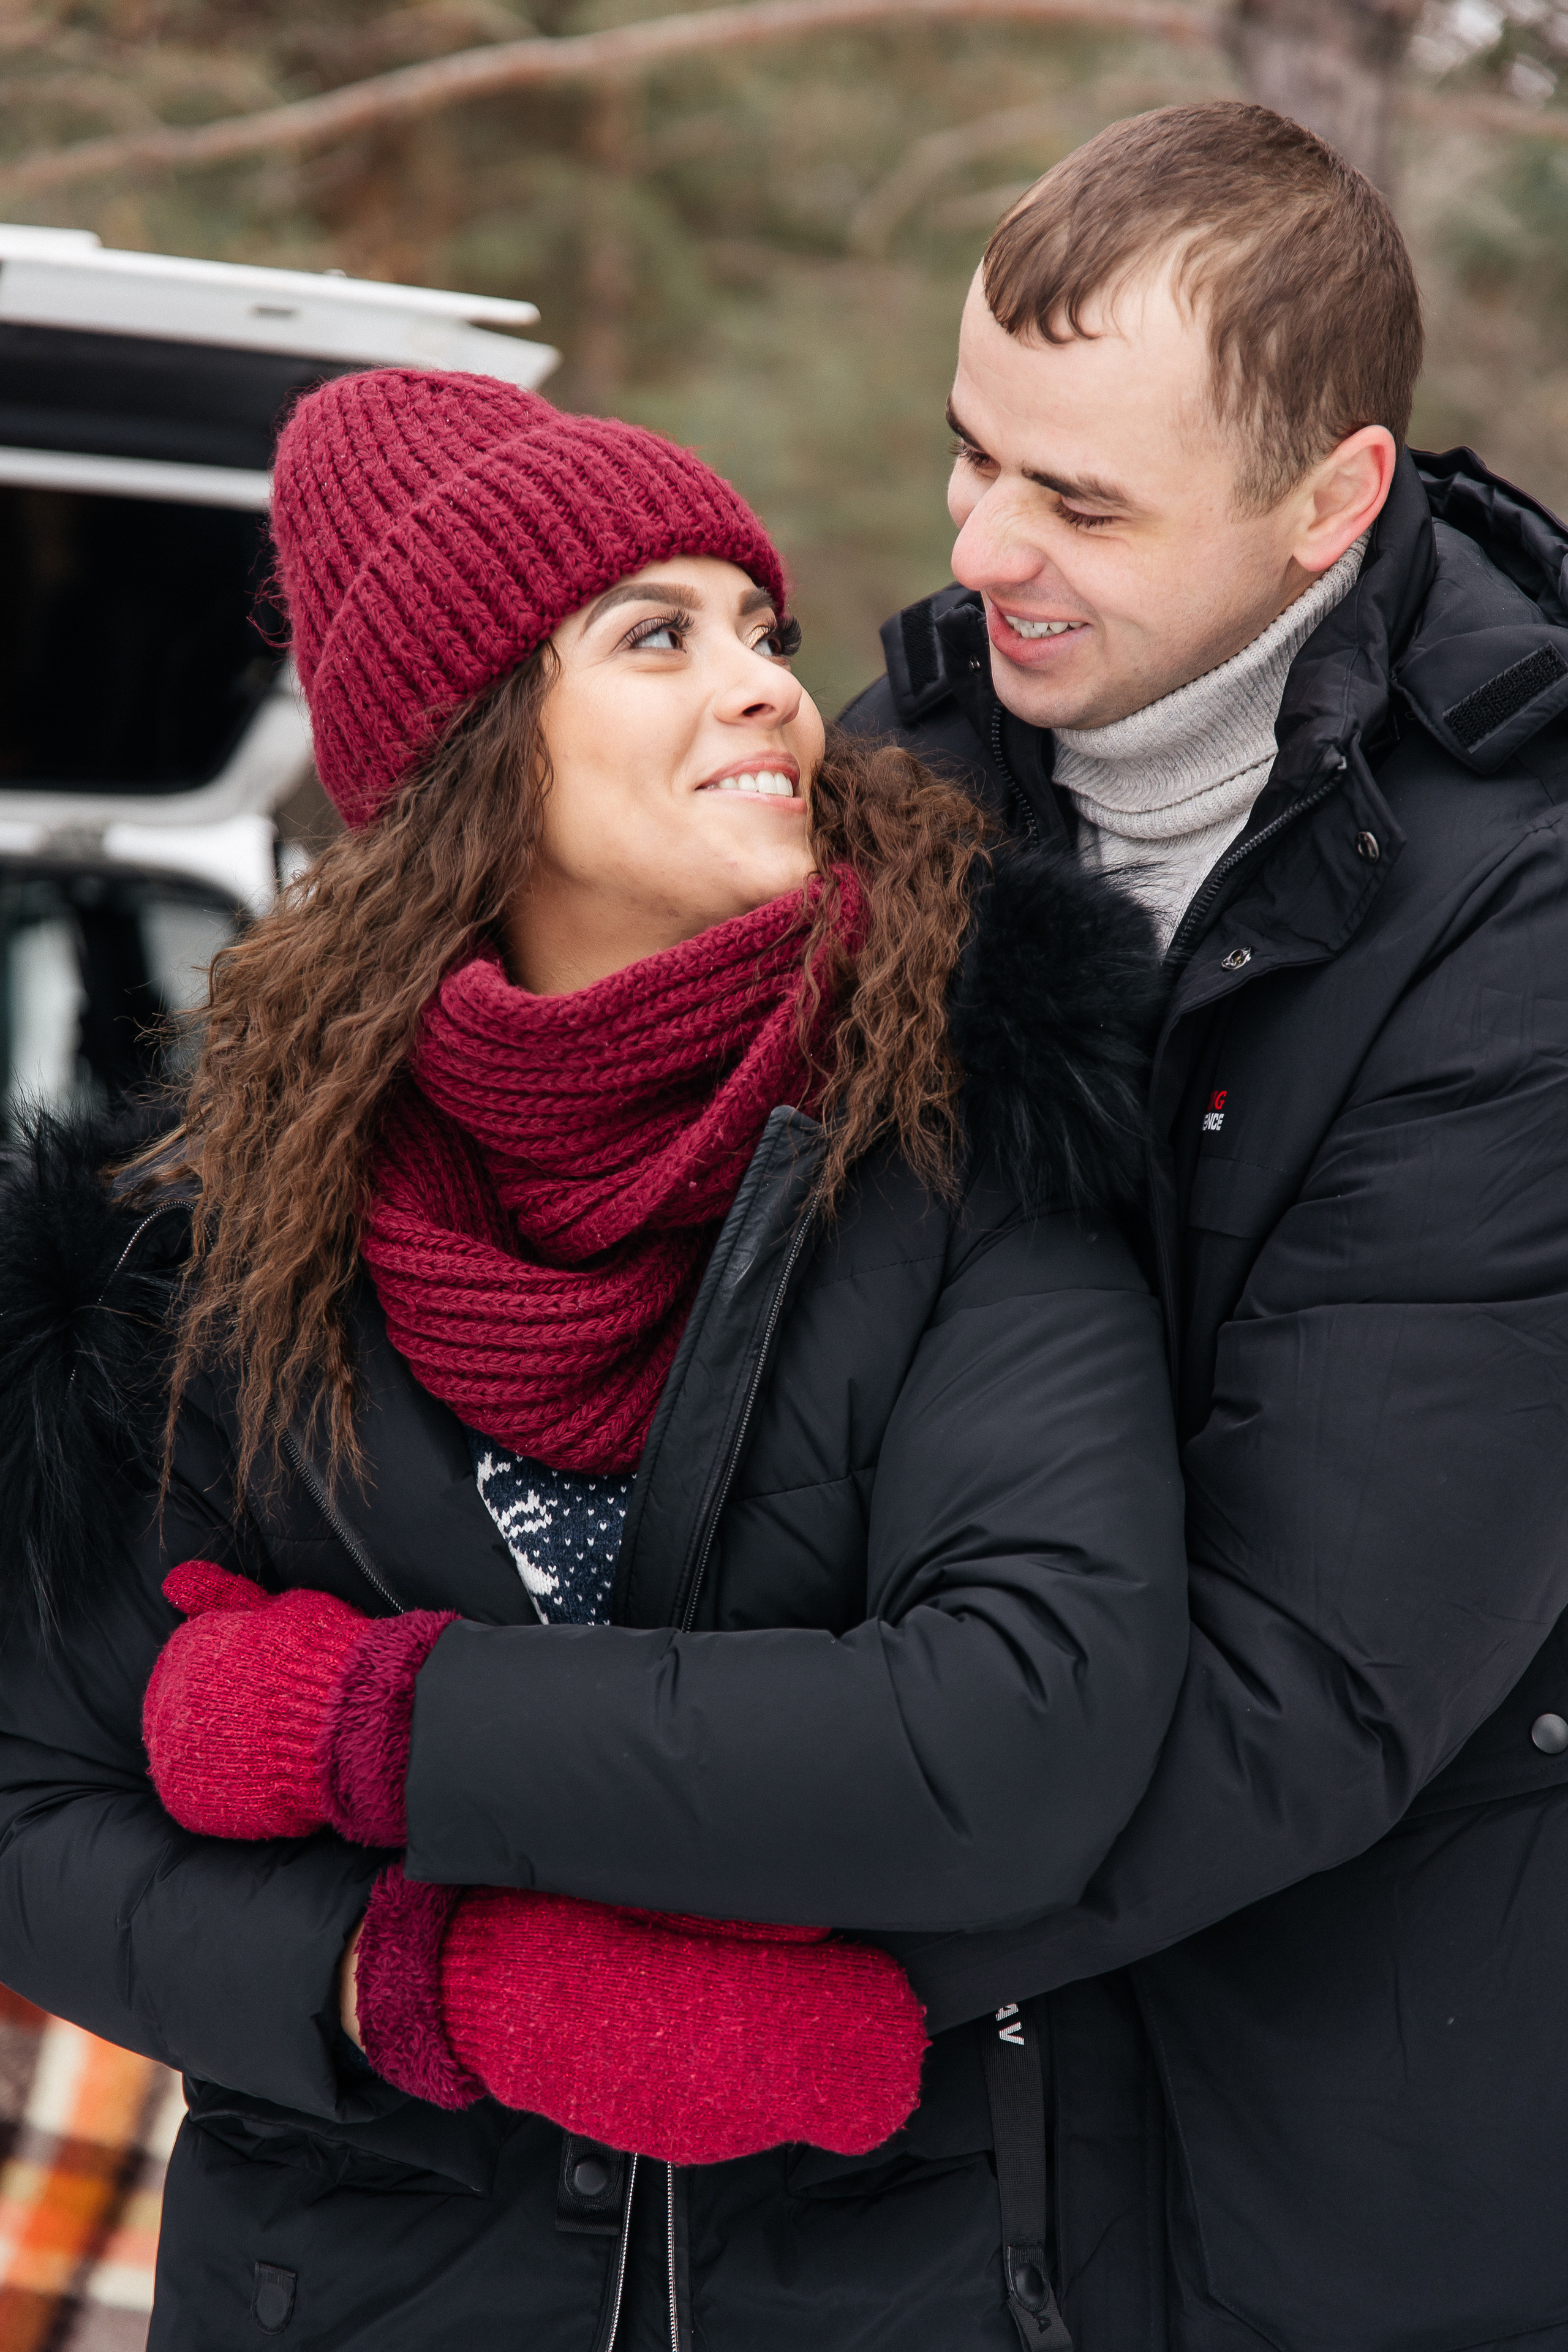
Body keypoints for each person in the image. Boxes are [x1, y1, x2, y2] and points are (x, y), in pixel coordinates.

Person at [0, 369, 1188, 2350]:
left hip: (883, 2282)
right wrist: (423, 1987)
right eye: (661, 636)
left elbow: (1028, 1719)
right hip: (358, 2293)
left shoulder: (970, 1145)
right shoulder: (196, 1253)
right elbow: (43, 1815)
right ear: (471, 750)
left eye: (764, 632)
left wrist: (374, 1729)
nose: (770, 692)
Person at [843, 96, 1568, 2351]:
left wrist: (748, 1955)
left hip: (1359, 2170)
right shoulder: (904, 777)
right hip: (931, 2190)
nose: (983, 549)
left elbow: (1323, 1674)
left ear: (1328, 501)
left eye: (1079, 501)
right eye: (972, 455)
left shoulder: (1523, 908)